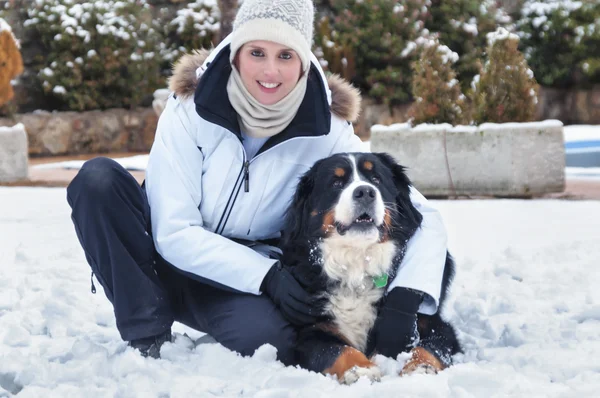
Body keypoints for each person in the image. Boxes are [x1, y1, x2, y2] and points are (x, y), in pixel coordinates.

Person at [66, 0, 449, 364]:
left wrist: (406, 296)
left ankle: (218, 315)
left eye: (285, 56)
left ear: (303, 64)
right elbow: (174, 231)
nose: (270, 72)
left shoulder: (327, 128)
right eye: (257, 53)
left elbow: (421, 215)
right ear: (235, 54)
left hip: (237, 279)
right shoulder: (190, 110)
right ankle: (147, 330)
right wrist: (267, 277)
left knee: (277, 342)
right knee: (98, 180)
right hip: (156, 259)